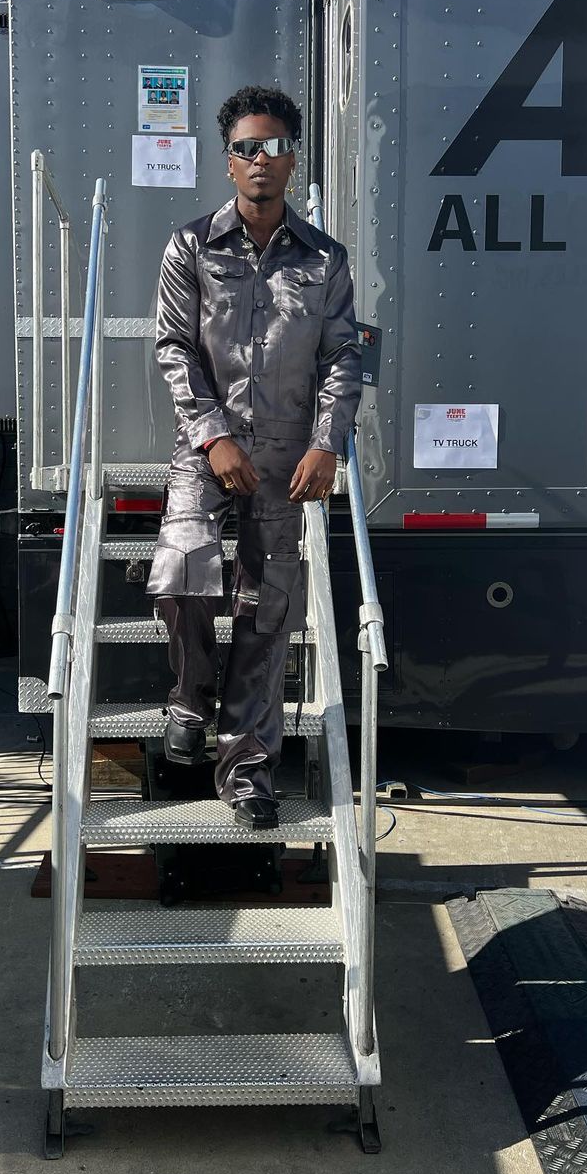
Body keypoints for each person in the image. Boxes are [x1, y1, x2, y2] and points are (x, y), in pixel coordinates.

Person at [146, 84, 361, 829]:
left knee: (266, 612)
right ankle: (189, 699)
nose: (260, 159)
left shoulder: (326, 260)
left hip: (285, 458)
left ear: (293, 158)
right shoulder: (190, 247)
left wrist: (327, 443)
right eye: (246, 148)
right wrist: (214, 435)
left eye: (273, 146)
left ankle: (247, 773)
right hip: (205, 446)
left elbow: (343, 357)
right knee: (183, 570)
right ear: (228, 161)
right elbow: (174, 347)